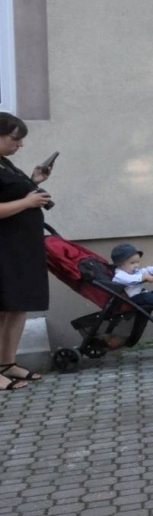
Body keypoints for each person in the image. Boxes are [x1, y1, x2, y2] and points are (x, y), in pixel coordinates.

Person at [0, 113, 51, 391]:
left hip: (20, 248)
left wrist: (34, 181)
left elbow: (14, 197)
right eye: (14, 139)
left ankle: (7, 364)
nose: (20, 145)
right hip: (4, 249)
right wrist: (27, 201)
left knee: (17, 307)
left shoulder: (5, 164)